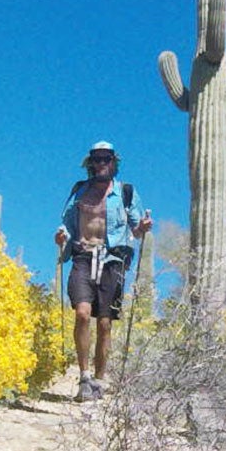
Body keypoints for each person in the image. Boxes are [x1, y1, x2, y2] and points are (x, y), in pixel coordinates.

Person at [54, 141, 151, 401]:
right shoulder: (79, 190)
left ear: (113, 162)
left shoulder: (125, 192)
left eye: (106, 159)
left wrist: (143, 226)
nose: (101, 164)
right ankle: (84, 376)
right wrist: (62, 235)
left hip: (113, 259)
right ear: (90, 163)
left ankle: (99, 380)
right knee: (83, 314)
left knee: (105, 323)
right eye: (96, 159)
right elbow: (67, 223)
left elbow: (136, 229)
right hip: (83, 255)